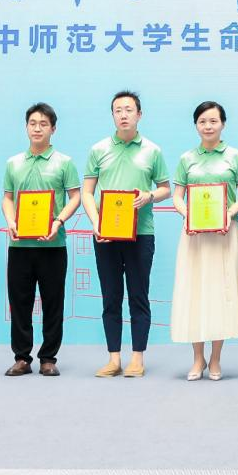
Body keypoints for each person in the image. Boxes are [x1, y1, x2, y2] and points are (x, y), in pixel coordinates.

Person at [82, 90, 170, 379]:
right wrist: (96, 222)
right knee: (110, 296)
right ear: (112, 115)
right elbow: (87, 192)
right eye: (118, 110)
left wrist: (149, 196)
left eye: (129, 109)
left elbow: (166, 189)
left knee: (138, 296)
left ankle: (137, 358)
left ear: (139, 115)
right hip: (106, 234)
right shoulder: (98, 149)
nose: (123, 115)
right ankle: (113, 358)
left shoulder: (152, 151)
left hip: (141, 234)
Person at [169, 101, 238, 380]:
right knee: (194, 293)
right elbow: (177, 196)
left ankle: (216, 359)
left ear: (223, 124)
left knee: (221, 293)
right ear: (196, 125)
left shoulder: (235, 156)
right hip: (195, 236)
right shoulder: (187, 158)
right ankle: (198, 359)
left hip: (224, 234)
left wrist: (228, 214)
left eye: (213, 121)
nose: (208, 126)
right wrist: (188, 216)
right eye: (202, 121)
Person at [1, 102, 81, 377]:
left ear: (53, 129)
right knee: (20, 302)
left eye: (43, 124)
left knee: (53, 302)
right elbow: (7, 198)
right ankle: (22, 358)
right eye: (33, 123)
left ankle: (48, 358)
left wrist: (58, 221)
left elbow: (75, 197)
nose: (37, 128)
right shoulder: (13, 163)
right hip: (20, 245)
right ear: (26, 127)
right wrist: (11, 221)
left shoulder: (64, 162)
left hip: (53, 245)